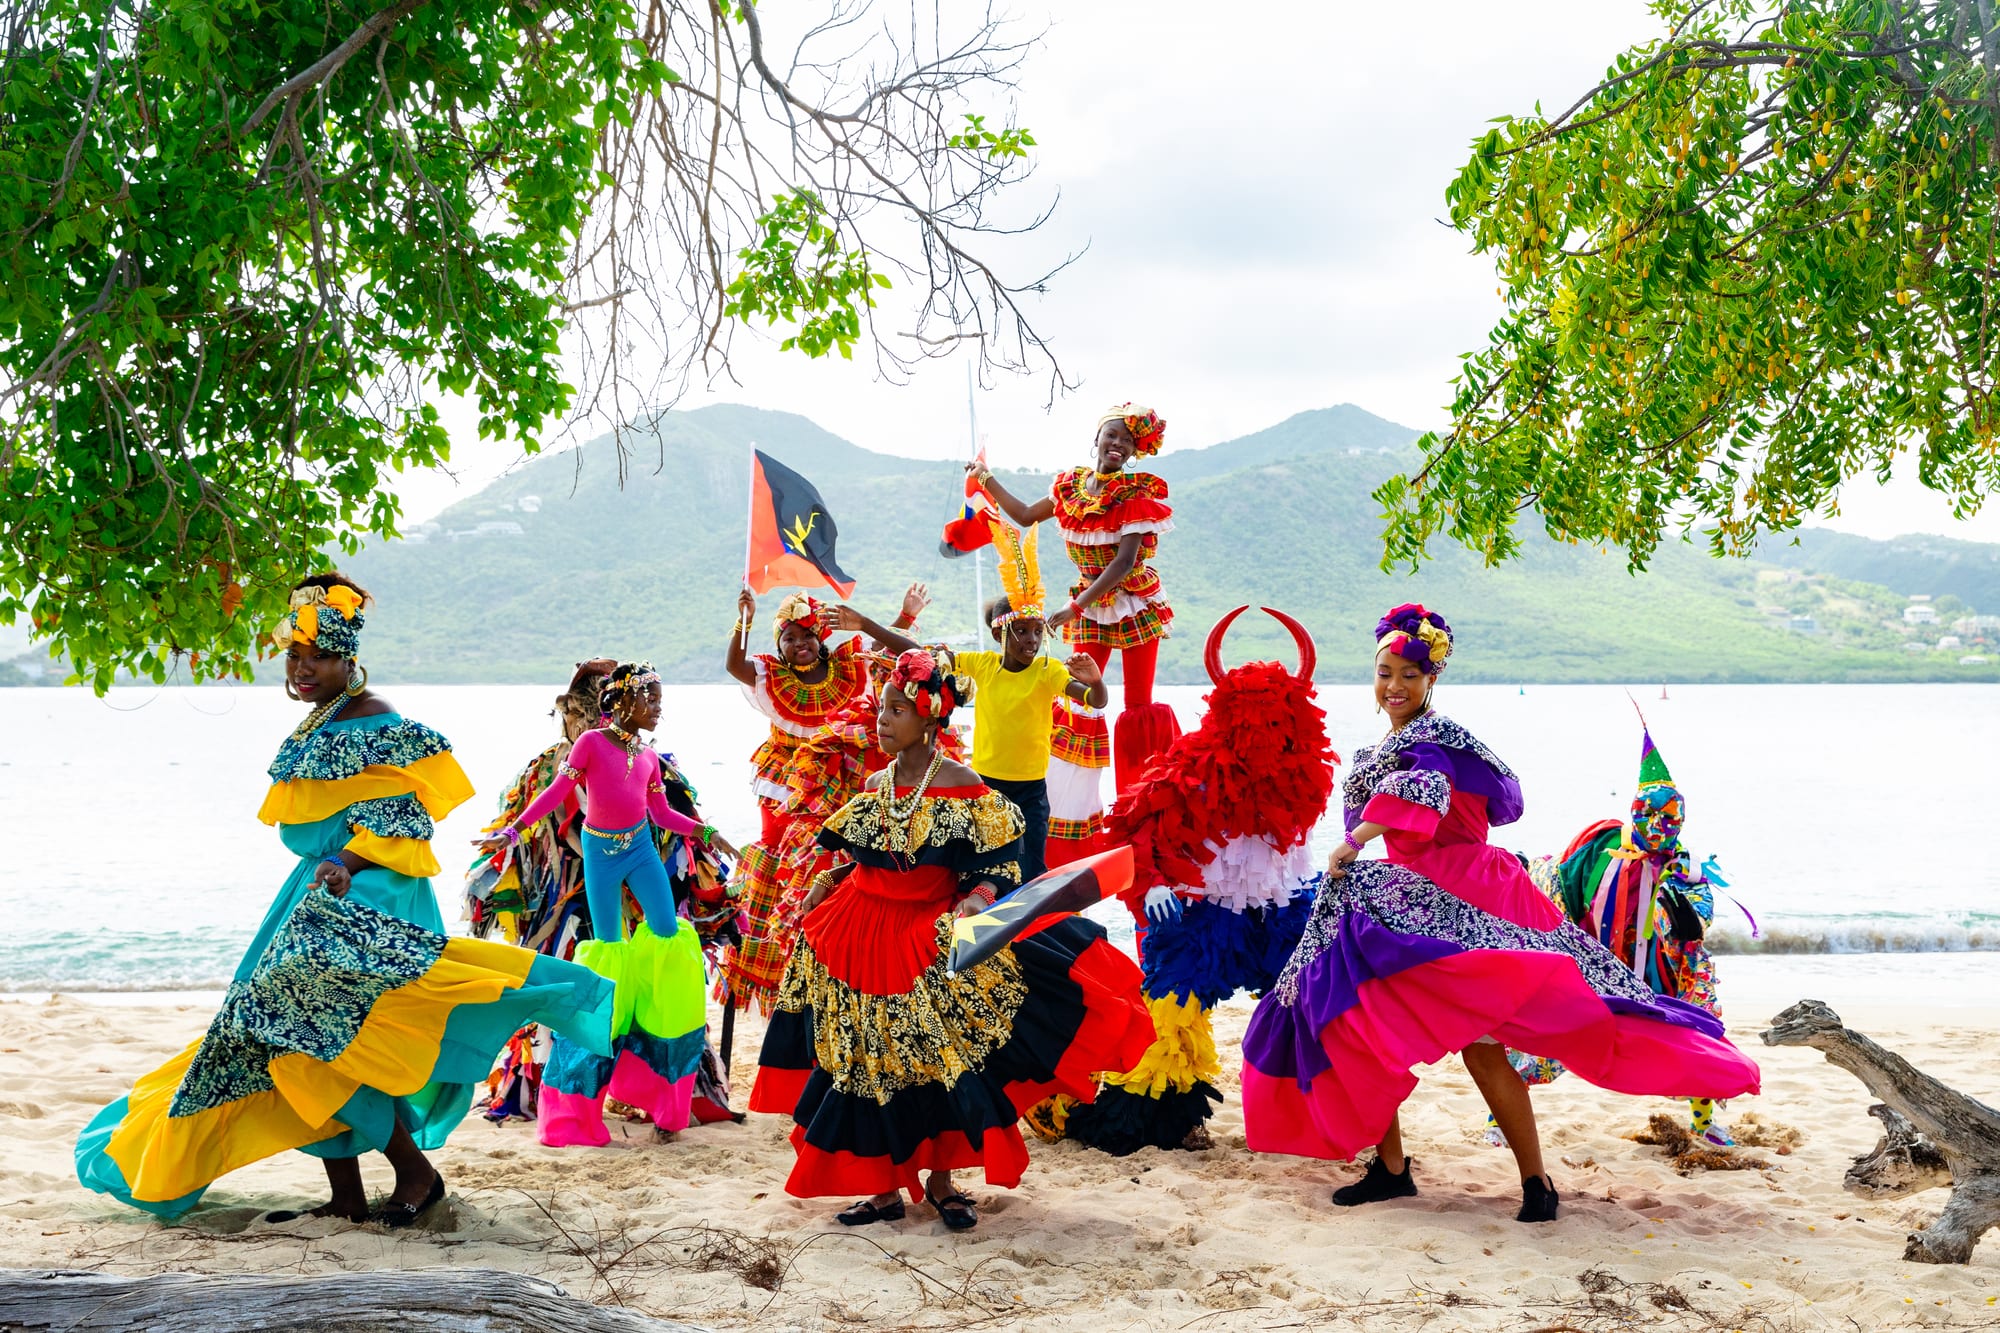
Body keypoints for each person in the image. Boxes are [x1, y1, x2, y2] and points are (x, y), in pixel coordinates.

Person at [76, 574, 616, 1225]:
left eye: (318, 656)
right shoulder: (321, 720)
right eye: (295, 657)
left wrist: (345, 861)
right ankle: (349, 1193)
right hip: (321, 890)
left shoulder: (377, 719)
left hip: (371, 890)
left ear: (348, 658)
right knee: (298, 1035)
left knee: (331, 1032)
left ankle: (415, 1171)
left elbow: (405, 817)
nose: (303, 669)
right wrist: (331, 868)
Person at [1239, 605, 1762, 1224]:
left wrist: (1357, 840)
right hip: (1424, 897)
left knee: (1439, 1040)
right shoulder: (1404, 739)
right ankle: (1405, 1169)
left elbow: (1424, 795)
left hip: (1455, 898)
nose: (1395, 686)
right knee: (1375, 1032)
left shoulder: (1433, 740)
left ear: (1432, 679)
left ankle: (1524, 1181)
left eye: (1409, 673)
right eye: (1385, 673)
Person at [749, 649, 1153, 1231]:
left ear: (929, 715)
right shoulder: (874, 783)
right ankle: (885, 1190)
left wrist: (973, 903)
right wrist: (826, 879)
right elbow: (864, 856)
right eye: (881, 708)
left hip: (922, 937)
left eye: (894, 710)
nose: (881, 721)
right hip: (857, 930)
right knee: (866, 1061)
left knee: (938, 1061)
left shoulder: (965, 785)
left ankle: (941, 1183)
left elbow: (996, 869)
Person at [1037, 607, 1329, 1156]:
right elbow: (1133, 822)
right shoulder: (1194, 761)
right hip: (1205, 915)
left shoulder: (1305, 773)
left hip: (1284, 911)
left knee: (1309, 1003)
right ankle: (1165, 1118)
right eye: (1252, 721)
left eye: (1275, 723)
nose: (1264, 736)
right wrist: (1150, 883)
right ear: (1229, 717)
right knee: (1171, 1012)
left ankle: (1305, 1111)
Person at [465, 661, 740, 1132]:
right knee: (608, 954)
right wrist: (511, 834)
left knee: (670, 938)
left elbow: (662, 814)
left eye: (660, 701)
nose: (657, 710)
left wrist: (708, 832)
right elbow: (557, 793)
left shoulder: (649, 757)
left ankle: (663, 1078)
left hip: (640, 850)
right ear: (623, 701)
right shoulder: (591, 744)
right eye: (650, 700)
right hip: (600, 855)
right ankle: (584, 1096)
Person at [1498, 719, 1739, 1146]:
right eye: (1646, 813)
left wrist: (1684, 920)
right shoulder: (1600, 852)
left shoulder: (1687, 868)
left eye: (1667, 815)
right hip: (1596, 963)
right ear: (1632, 812)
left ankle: (1703, 1122)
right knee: (1553, 1033)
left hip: (1662, 972)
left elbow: (1699, 914)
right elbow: (1557, 877)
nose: (1655, 823)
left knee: (1694, 1034)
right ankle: (1498, 1118)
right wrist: (1520, 869)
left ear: (1682, 818)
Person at [717, 586, 927, 1014]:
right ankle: (781, 960)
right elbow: (734, 664)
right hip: (786, 783)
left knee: (832, 860)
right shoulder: (770, 675)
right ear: (779, 642)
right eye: (790, 638)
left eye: (808, 636)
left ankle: (836, 955)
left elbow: (891, 654)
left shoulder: (848, 669)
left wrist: (904, 616)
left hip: (837, 780)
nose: (800, 645)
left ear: (821, 638)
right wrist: (745, 617)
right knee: (782, 861)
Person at [972, 405, 1180, 827]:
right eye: (1112, 435)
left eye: (1128, 439)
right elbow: (1027, 515)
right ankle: (1060, 812)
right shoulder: (1070, 487)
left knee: (1138, 705)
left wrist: (1075, 607)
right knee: (1076, 699)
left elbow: (1123, 563)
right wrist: (984, 478)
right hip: (1088, 603)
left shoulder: (1134, 495)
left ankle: (1140, 812)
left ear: (1136, 449)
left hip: (1132, 603)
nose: (1118, 444)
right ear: (1098, 437)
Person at [950, 518, 1108, 882]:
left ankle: (1029, 935)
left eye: (1037, 631)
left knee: (1032, 870)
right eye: (1021, 631)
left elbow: (1095, 701)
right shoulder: (984, 665)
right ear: (998, 632)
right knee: (983, 868)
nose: (1031, 640)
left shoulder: (1048, 672)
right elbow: (924, 653)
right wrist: (865, 624)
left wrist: (1096, 680)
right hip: (985, 786)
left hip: (1033, 792)